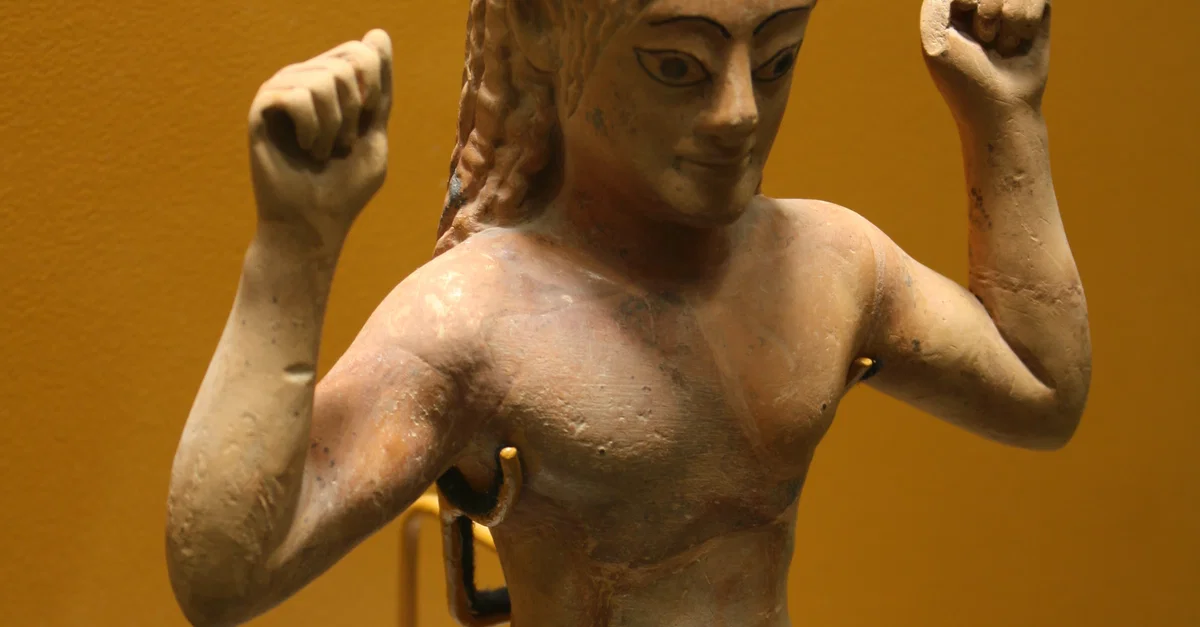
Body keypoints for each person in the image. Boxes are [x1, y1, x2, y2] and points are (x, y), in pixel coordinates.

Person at [166, 0, 1091, 625]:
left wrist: (1004, 110)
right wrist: (293, 249)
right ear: (541, 25)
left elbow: (1041, 386)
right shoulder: (476, 321)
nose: (739, 113)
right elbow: (224, 571)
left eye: (777, 59)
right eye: (677, 64)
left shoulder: (829, 264)